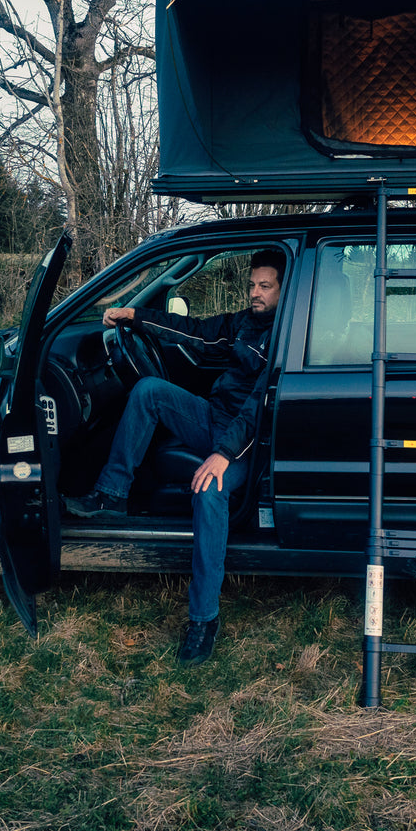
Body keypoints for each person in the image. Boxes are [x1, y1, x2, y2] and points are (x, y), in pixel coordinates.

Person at [65, 249, 285, 666]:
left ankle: (203, 619)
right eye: (252, 284)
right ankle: (110, 494)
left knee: (208, 492)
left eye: (265, 286)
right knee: (149, 390)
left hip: (246, 443)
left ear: (282, 288)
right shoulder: (245, 322)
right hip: (215, 418)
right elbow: (195, 330)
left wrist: (221, 455)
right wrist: (136, 315)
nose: (255, 293)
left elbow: (261, 405)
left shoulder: (285, 332)